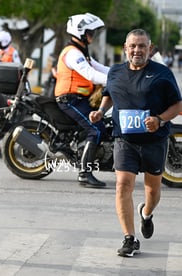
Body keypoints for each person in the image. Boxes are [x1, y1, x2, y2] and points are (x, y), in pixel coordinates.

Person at [89, 29, 182, 257]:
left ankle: (147, 214)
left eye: (142, 46)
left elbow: (178, 106)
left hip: (154, 141)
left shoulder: (162, 74)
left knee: (152, 190)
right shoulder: (116, 72)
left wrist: (160, 120)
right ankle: (129, 239)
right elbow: (110, 94)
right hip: (125, 139)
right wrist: (101, 111)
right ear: (125, 48)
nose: (137, 50)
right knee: (123, 185)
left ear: (149, 49)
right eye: (133, 46)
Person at [54, 12, 110, 188]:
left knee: (103, 124)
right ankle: (85, 174)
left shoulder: (81, 52)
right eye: (91, 32)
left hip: (79, 99)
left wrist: (126, 72)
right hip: (69, 100)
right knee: (97, 130)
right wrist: (116, 80)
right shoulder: (72, 54)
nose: (93, 36)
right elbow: (91, 74)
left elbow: (101, 68)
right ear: (81, 32)